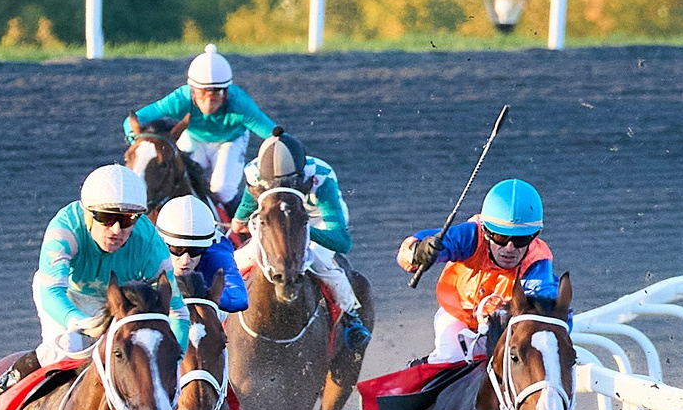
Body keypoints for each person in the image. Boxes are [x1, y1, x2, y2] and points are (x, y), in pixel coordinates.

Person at [0, 166, 188, 410]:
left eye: (127, 220)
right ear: (88, 213)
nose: (116, 230)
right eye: (106, 217)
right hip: (66, 298)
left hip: (117, 306)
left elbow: (178, 311)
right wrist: (78, 321)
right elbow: (52, 290)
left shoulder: (150, 245)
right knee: (64, 349)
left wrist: (176, 355)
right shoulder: (66, 228)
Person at [229, 132, 371, 351]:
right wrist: (238, 221)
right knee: (237, 260)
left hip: (316, 221)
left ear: (301, 176)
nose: (281, 184)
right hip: (274, 220)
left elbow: (343, 242)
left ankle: (352, 320)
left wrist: (298, 231)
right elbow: (248, 204)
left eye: (289, 182)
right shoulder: (253, 172)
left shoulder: (321, 178)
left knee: (319, 261)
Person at [396, 178, 560, 364]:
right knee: (451, 358)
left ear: (533, 237)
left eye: (521, 240)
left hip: (506, 326)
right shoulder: (471, 237)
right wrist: (418, 252)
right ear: (487, 231)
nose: (509, 248)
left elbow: (546, 308)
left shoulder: (537, 263)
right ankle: (421, 370)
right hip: (457, 317)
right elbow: (420, 247)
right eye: (500, 236)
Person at [122, 45, 278, 209]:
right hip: (193, 138)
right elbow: (132, 121)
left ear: (226, 93)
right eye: (203, 92)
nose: (209, 100)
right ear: (193, 91)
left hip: (230, 140)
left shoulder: (240, 103)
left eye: (215, 93)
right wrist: (136, 140)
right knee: (183, 177)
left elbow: (273, 133)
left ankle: (239, 228)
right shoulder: (180, 99)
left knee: (222, 190)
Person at [158, 192, 251, 410]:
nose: (185, 259)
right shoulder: (147, 246)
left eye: (195, 251)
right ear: (163, 244)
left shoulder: (218, 249)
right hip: (162, 301)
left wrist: (204, 299)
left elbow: (238, 298)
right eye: (176, 251)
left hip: (203, 302)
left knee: (212, 341)